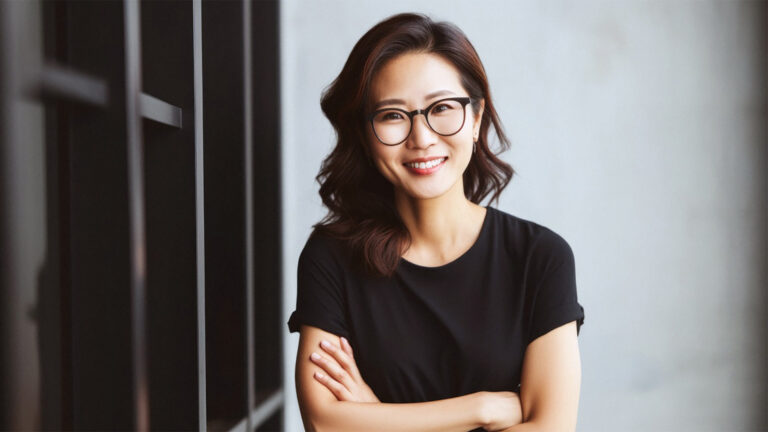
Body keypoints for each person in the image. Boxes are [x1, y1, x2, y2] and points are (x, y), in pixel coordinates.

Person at [287, 12, 585, 432]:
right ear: (365, 134)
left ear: (477, 118)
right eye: (392, 115)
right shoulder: (331, 257)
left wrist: (372, 414)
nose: (421, 137)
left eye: (442, 108)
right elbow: (326, 425)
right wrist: (482, 409)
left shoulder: (540, 258)